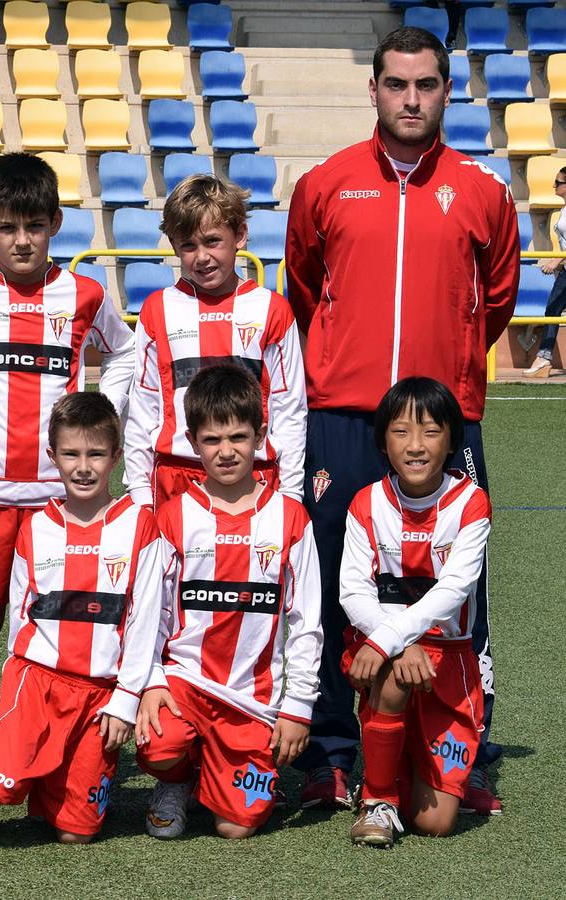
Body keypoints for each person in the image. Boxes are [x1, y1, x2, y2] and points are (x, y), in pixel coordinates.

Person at [284, 25, 518, 814]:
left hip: (442, 420)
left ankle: (467, 749)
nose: (410, 98)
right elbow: (307, 289)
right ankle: (330, 749)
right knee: (322, 577)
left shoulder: (485, 193)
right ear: (374, 88)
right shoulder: (324, 184)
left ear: (447, 90)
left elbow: (491, 305)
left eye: (425, 84)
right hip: (343, 414)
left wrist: (442, 378)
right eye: (396, 83)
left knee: (461, 585)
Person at [0, 152, 136, 814]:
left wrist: (104, 418)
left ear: (55, 225)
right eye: (7, 226)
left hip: (58, 504)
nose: (20, 240)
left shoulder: (85, 295)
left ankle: (44, 757)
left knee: (50, 635)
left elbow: (125, 352)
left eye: (33, 226)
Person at [0, 392, 166, 843]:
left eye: (96, 453)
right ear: (52, 456)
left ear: (117, 457)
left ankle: (52, 783)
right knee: (4, 783)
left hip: (99, 692)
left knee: (75, 833)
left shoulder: (140, 525)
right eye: (71, 453)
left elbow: (145, 623)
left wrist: (125, 699)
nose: (83, 466)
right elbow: (22, 620)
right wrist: (11, 697)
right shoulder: (36, 527)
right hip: (38, 682)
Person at [135, 365, 322, 840]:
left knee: (238, 826)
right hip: (186, 682)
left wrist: (298, 707)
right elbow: (150, 616)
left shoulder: (290, 517)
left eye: (238, 437)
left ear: (260, 436)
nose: (226, 451)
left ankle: (216, 771)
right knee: (159, 744)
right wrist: (152, 683)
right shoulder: (173, 517)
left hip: (251, 698)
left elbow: (306, 622)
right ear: (192, 442)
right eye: (212, 439)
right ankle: (175, 779)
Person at [341, 377, 490, 848]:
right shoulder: (366, 502)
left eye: (430, 431)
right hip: (387, 653)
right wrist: (395, 644)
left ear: (451, 440)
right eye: (401, 431)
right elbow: (352, 592)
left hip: (448, 656)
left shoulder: (470, 503)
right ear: (384, 440)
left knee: (436, 822)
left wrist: (390, 637)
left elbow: (454, 590)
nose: (416, 445)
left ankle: (395, 760)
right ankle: (377, 798)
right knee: (392, 674)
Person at [124, 174, 306, 508]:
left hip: (255, 477)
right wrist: (138, 491)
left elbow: (290, 408)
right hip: (176, 476)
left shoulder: (272, 309)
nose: (202, 257)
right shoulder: (157, 310)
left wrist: (292, 491)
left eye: (212, 241)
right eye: (188, 246)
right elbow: (143, 407)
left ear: (240, 235)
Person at [523, 166, 566, 378]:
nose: (554, 186)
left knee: (553, 310)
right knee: (552, 311)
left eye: (558, 183)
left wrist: (556, 260)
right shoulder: (563, 210)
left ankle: (544, 357)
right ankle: (544, 357)